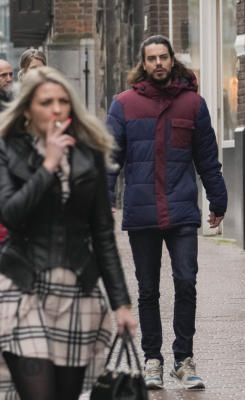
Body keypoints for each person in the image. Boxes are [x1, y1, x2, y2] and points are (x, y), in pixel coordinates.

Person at [0, 67, 136, 400]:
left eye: (63, 101)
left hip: (78, 292)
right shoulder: (8, 150)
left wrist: (121, 304)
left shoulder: (87, 154)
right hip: (22, 289)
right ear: (28, 109)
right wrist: (48, 164)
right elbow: (11, 215)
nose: (57, 109)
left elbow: (102, 234)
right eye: (46, 102)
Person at [106, 35, 227, 391]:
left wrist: (218, 201)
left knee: (186, 282)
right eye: (151, 58)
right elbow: (111, 160)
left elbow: (207, 159)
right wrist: (103, 202)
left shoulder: (193, 104)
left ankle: (184, 360)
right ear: (142, 64)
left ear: (173, 60)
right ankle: (153, 360)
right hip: (142, 211)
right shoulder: (124, 105)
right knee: (147, 290)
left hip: (182, 209)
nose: (158, 63)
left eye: (163, 57)